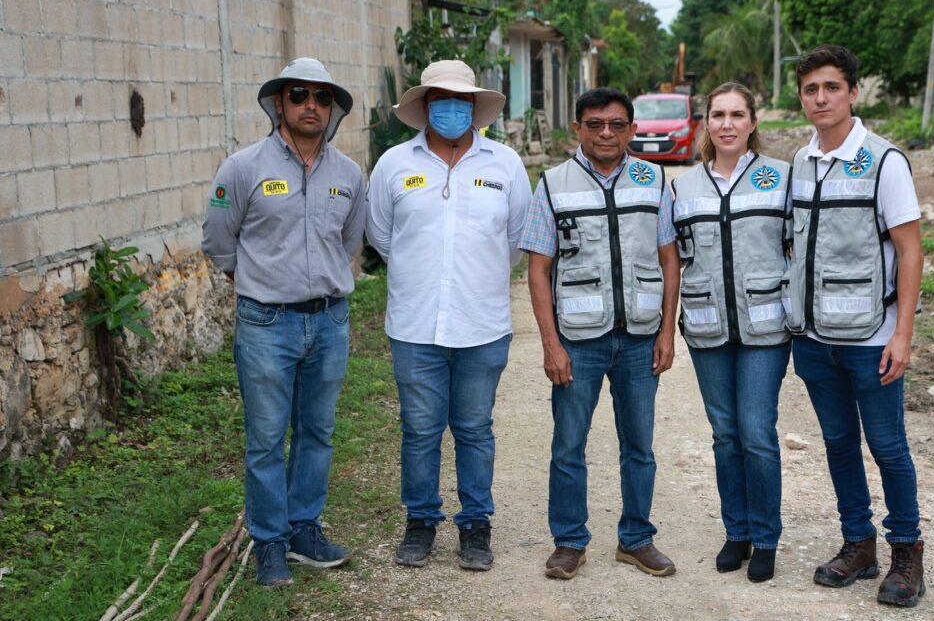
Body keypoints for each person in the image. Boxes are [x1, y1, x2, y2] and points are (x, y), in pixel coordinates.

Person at [202, 58, 367, 587]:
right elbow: (219, 243)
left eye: (321, 97)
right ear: (280, 103)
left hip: (329, 322)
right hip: (266, 323)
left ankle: (303, 530)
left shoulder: (348, 174)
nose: (310, 106)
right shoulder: (243, 167)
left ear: (332, 107)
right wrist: (259, 284)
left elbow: (348, 244)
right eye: (300, 95)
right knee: (267, 438)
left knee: (317, 432)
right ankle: (269, 542)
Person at [366, 60, 530, 572]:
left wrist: (469, 275)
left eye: (461, 101)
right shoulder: (393, 164)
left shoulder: (505, 165)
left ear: (475, 107)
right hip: (415, 325)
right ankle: (420, 521)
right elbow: (383, 237)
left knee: (475, 428)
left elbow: (515, 243)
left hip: (483, 324)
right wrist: (428, 271)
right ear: (425, 107)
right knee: (419, 428)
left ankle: (476, 524)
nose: (452, 109)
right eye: (441, 100)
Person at [785, 45, 926, 607]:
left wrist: (903, 333)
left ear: (852, 93)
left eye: (831, 88)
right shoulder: (801, 161)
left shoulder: (885, 161)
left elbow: (910, 251)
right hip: (816, 340)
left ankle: (907, 553)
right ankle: (858, 544)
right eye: (810, 90)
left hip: (873, 340)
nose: (820, 98)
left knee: (888, 447)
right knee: (839, 444)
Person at [521, 87, 681, 580]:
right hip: (578, 340)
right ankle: (569, 541)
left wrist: (667, 332)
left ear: (631, 130)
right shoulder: (553, 183)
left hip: (638, 338)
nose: (606, 133)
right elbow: (538, 269)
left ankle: (636, 539)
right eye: (595, 124)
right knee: (569, 445)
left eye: (616, 124)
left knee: (640, 445)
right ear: (579, 129)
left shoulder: (653, 181)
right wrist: (551, 345)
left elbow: (669, 258)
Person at [672, 82, 791, 583]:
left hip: (766, 329)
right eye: (717, 114)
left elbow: (798, 247)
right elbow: (675, 257)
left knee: (757, 433)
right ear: (706, 123)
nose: (726, 124)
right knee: (725, 435)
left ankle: (765, 537)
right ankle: (736, 531)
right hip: (707, 327)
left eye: (736, 114)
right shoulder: (683, 187)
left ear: (752, 122)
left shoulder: (781, 177)